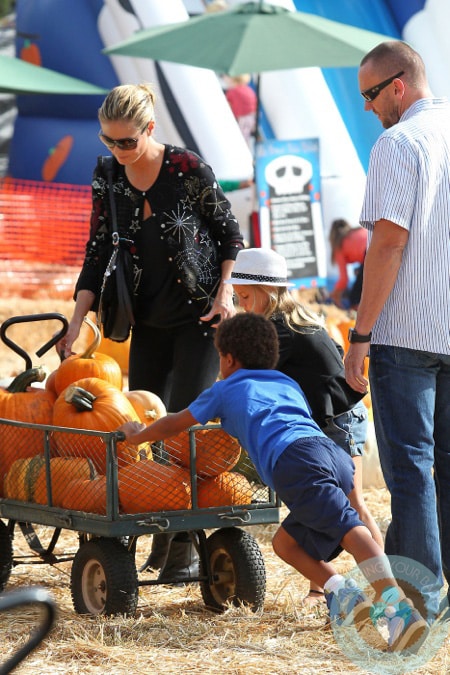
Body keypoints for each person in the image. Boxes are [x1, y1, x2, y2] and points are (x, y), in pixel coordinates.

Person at [118, 313, 428, 652]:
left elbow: (175, 424)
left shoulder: (224, 389)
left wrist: (138, 435)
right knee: (285, 543)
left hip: (295, 462)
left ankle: (400, 611)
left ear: (228, 359)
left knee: (351, 531)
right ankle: (342, 592)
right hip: (328, 453)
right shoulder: (284, 381)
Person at [57, 83, 244, 581]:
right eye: (108, 141)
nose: (117, 152)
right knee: (140, 430)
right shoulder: (107, 176)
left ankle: (180, 551)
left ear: (149, 130)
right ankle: (159, 539)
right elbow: (97, 252)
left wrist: (225, 294)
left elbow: (230, 234)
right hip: (147, 322)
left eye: (126, 142)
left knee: (183, 430)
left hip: (199, 318)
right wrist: (76, 323)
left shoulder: (187, 169)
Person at [344, 40, 450, 621]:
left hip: (407, 329)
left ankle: (418, 604)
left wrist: (361, 333)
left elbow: (388, 241)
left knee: (410, 472)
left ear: (399, 87)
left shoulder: (398, 141)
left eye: (370, 94)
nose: (367, 107)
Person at [227, 247, 382, 606]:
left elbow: (249, 379)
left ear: (267, 293)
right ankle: (327, 585)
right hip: (326, 421)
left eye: (246, 297)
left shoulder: (278, 331)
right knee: (326, 509)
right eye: (237, 297)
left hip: (337, 421)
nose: (241, 304)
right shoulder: (296, 319)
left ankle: (386, 586)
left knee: (353, 506)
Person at [329, 219, 367, 310]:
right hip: (375, 249)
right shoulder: (359, 230)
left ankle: (357, 316)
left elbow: (344, 280)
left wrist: (334, 294)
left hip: (369, 254)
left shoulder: (339, 245)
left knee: (355, 298)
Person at [223, 74, 257, 147]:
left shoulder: (232, 91)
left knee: (241, 138)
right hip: (251, 117)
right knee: (246, 137)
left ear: (231, 79)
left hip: (242, 118)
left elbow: (227, 107)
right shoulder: (247, 89)